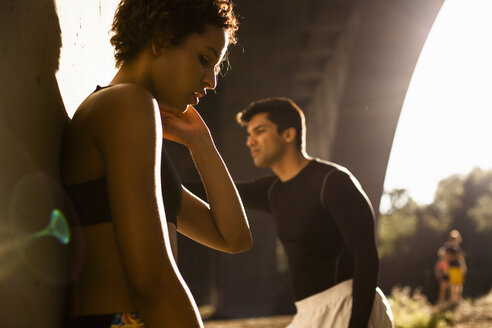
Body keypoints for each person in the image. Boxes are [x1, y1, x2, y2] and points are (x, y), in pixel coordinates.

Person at [61, 1, 251, 327]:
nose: (212, 82)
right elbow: (152, 281)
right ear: (162, 37)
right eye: (205, 60)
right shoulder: (126, 104)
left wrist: (201, 143)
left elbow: (234, 238)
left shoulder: (123, 112)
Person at [235, 98, 394, 328]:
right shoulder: (272, 190)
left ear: (288, 134)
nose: (250, 141)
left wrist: (356, 325)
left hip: (347, 305)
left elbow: (366, 257)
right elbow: (216, 190)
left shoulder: (332, 181)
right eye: (248, 134)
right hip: (307, 314)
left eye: (259, 131)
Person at [444, 230, 467, 303]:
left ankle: (457, 300)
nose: (454, 240)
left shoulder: (458, 248)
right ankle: (453, 300)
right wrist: (446, 269)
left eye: (455, 238)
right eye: (452, 238)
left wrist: (463, 266)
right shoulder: (448, 247)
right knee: (453, 285)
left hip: (459, 268)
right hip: (452, 268)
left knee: (459, 285)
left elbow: (461, 259)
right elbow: (446, 258)